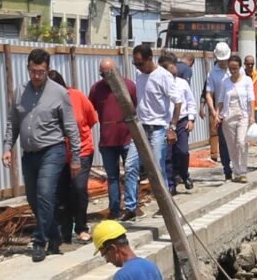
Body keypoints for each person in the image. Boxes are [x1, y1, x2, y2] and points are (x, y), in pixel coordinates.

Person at [2, 46, 82, 262]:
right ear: (28, 68)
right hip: (29, 153)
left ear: (48, 70)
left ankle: (39, 241)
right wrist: (7, 147)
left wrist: (76, 158)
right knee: (33, 198)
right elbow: (13, 122)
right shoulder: (20, 91)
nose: (37, 76)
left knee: (45, 193)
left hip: (52, 150)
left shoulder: (59, 93)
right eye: (33, 71)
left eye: (41, 72)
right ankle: (54, 235)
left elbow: (71, 127)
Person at [89, 58, 136, 219]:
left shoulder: (129, 86)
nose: (107, 77)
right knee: (112, 176)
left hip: (127, 138)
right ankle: (114, 210)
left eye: (110, 73)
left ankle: (130, 208)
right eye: (104, 74)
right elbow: (90, 110)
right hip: (107, 141)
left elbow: (137, 107)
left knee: (130, 171)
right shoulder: (97, 89)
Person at [131, 42, 176, 202]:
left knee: (157, 167)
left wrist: (172, 127)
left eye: (140, 63)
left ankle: (165, 203)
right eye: (135, 63)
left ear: (150, 58)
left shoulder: (164, 76)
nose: (138, 67)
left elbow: (177, 102)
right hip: (141, 127)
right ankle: (130, 206)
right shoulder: (139, 75)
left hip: (158, 128)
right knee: (131, 165)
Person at [210, 45, 251, 182]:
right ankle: (237, 172)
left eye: (235, 68)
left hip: (242, 114)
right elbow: (220, 100)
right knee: (231, 146)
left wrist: (252, 117)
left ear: (240, 67)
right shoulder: (225, 81)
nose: (232, 70)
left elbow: (251, 99)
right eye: (231, 68)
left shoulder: (246, 80)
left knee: (241, 141)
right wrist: (216, 114)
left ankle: (243, 170)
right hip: (228, 116)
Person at [65, 74, 98, 240]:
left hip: (82, 151)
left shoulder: (76, 96)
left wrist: (81, 136)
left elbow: (92, 118)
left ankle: (81, 226)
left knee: (78, 188)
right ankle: (64, 228)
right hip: (59, 154)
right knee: (62, 192)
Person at [161, 51, 197, 193]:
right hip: (166, 123)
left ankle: (184, 174)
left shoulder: (182, 83)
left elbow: (190, 101)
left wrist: (191, 119)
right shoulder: (160, 83)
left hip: (182, 121)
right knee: (168, 155)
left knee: (182, 151)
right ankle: (171, 184)